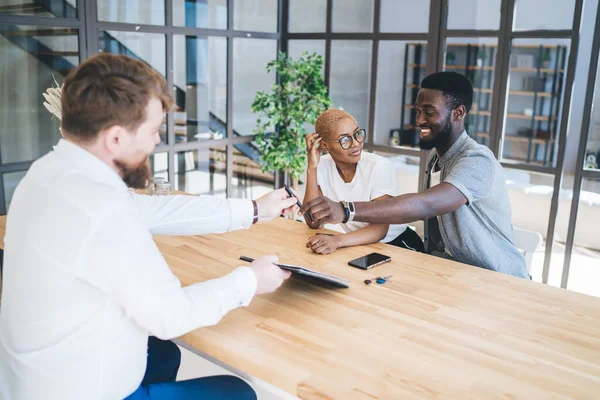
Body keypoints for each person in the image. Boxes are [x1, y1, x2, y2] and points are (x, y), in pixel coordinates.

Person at [0, 53, 299, 400]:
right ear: (115, 139)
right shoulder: (103, 210)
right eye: (153, 130)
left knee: (164, 353)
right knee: (237, 392)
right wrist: (250, 280)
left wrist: (253, 209)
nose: (157, 142)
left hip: (33, 378)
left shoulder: (46, 175)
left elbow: (154, 209)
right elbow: (171, 315)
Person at [302, 71, 529, 279]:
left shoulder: (477, 161)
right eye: (418, 111)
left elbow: (426, 205)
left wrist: (345, 210)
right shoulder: (435, 158)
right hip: (449, 272)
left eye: (428, 112)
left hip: (496, 279)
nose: (419, 121)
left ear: (458, 113)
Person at [302, 109, 424, 255]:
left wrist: (337, 241)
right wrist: (312, 168)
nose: (356, 144)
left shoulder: (378, 166)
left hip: (398, 245)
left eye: (357, 134)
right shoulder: (321, 166)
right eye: (345, 140)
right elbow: (313, 222)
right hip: (360, 245)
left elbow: (380, 229)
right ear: (325, 146)